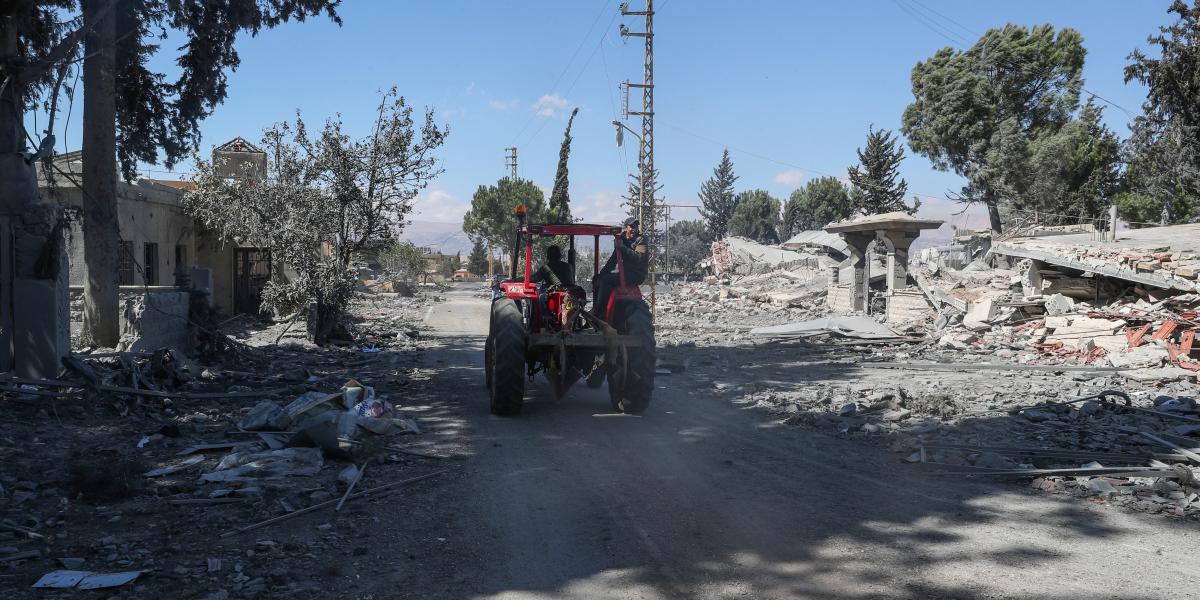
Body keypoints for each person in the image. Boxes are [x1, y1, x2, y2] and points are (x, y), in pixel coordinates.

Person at [592, 217, 647, 317]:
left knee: (606, 281)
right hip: (626, 273)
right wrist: (602, 274)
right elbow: (614, 259)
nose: (634, 229)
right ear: (625, 228)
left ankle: (598, 312)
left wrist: (622, 247)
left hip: (636, 274)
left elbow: (639, 258)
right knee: (599, 279)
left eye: (636, 226)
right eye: (632, 226)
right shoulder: (622, 240)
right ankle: (599, 308)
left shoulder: (640, 240)